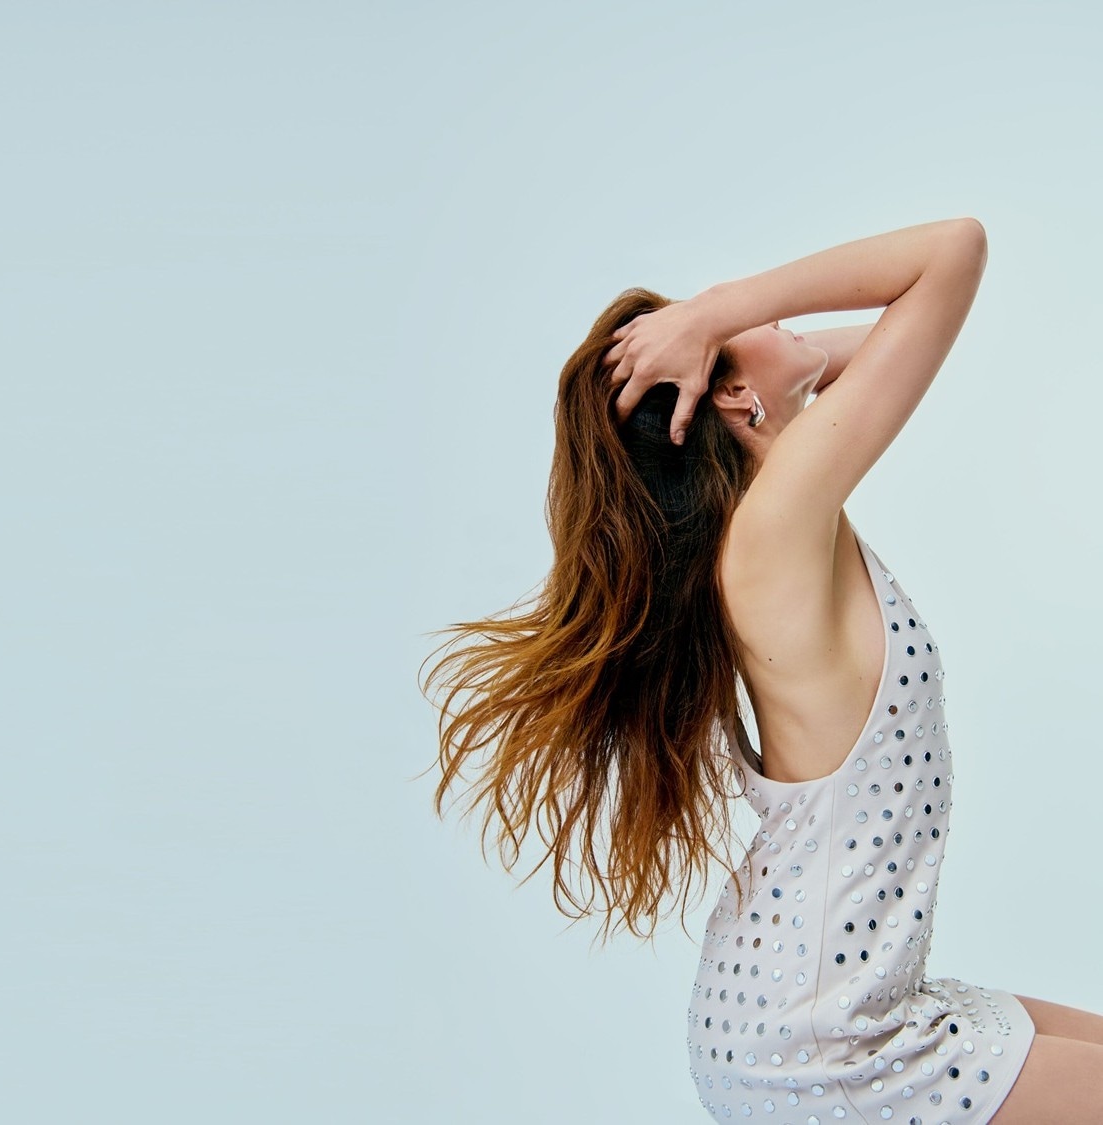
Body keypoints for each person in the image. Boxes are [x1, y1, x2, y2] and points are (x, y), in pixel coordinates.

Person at [419, 218, 1103, 1122]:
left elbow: (901, 335)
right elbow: (954, 251)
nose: (761, 309)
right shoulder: (771, 532)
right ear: (733, 398)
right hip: (825, 1041)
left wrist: (733, 353)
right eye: (723, 325)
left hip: (823, 1010)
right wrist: (718, 315)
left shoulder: (778, 513)